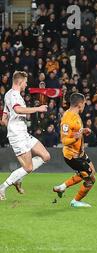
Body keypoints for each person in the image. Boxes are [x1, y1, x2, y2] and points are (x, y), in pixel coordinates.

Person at [0, 71, 50, 201]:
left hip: (23, 133)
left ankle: (18, 177)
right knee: (28, 167)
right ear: (20, 82)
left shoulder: (8, 94)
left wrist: (9, 122)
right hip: (17, 135)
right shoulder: (15, 95)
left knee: (46, 156)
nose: (26, 85)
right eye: (26, 82)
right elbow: (17, 109)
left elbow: (4, 118)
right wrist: (37, 109)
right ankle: (2, 187)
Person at [52, 93, 96, 208]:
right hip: (72, 156)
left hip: (80, 153)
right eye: (84, 104)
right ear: (80, 104)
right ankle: (75, 201)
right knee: (90, 179)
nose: (85, 106)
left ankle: (62, 187)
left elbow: (77, 131)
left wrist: (83, 131)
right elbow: (64, 141)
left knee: (92, 173)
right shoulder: (67, 119)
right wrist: (76, 137)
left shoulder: (76, 115)